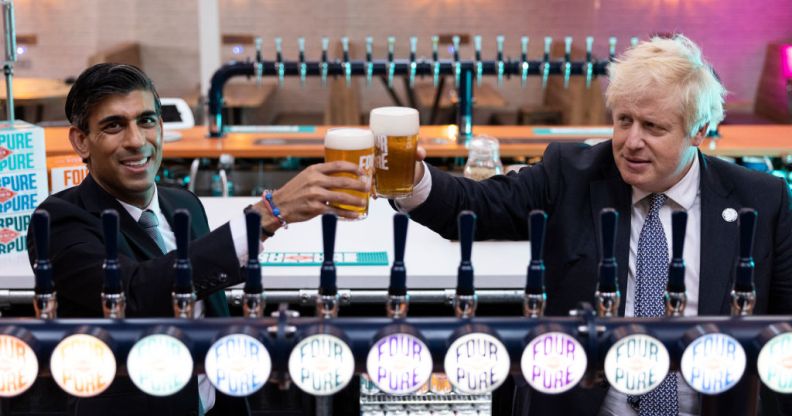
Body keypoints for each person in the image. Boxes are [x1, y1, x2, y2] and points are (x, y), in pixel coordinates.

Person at [395, 35, 792, 415]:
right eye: (624, 121)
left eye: (653, 127)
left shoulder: (761, 200)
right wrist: (413, 179)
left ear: (699, 131)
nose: (631, 141)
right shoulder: (570, 174)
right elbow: (477, 206)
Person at [23, 63, 368, 415]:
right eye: (114, 125)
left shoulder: (183, 203)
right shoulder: (57, 220)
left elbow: (207, 298)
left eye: (146, 121)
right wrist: (265, 216)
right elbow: (134, 294)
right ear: (81, 141)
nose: (136, 141)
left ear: (161, 127)